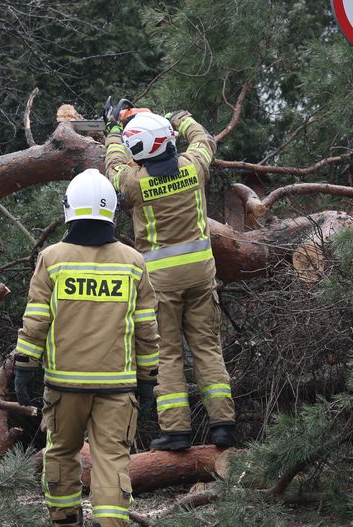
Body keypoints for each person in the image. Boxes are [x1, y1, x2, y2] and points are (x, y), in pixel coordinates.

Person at [12, 169, 161, 527]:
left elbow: (35, 320)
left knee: (61, 453)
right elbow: (147, 329)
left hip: (65, 387)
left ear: (69, 208)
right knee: (112, 460)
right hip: (117, 387)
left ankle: (65, 520)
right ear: (111, 210)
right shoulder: (132, 262)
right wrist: (148, 377)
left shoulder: (53, 258)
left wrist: (25, 366)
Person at [103, 106, 236, 451]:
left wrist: (115, 129)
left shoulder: (133, 182)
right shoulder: (194, 167)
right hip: (201, 275)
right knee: (207, 346)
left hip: (160, 283)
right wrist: (180, 117)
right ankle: (223, 424)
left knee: (168, 354)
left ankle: (176, 431)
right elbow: (204, 140)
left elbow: (114, 165)